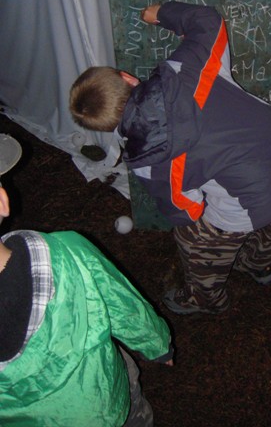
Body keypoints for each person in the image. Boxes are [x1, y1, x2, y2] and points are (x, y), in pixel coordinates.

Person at [70, 1, 271, 315]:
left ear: (107, 127)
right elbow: (208, 20)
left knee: (194, 238)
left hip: (255, 196)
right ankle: (259, 265)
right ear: (128, 78)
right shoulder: (186, 67)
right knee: (267, 202)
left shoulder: (147, 160)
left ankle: (206, 299)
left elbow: (186, 210)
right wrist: (161, 13)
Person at [0, 182, 173, 426]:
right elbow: (121, 303)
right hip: (106, 397)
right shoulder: (67, 251)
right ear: (2, 201)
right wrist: (157, 344)